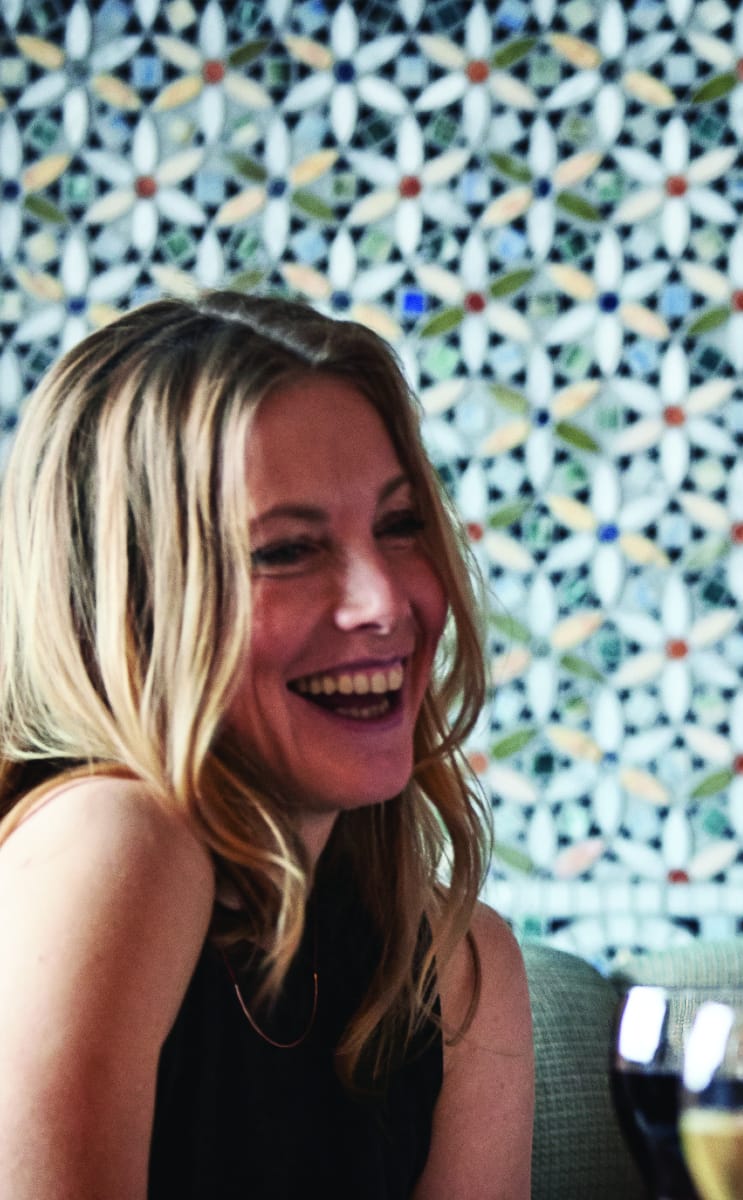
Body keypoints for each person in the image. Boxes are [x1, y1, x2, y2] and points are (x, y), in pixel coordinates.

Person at [0, 293, 534, 1197]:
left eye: (400, 526)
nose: (383, 602)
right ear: (133, 605)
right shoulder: (114, 840)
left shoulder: (455, 964)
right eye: (287, 550)